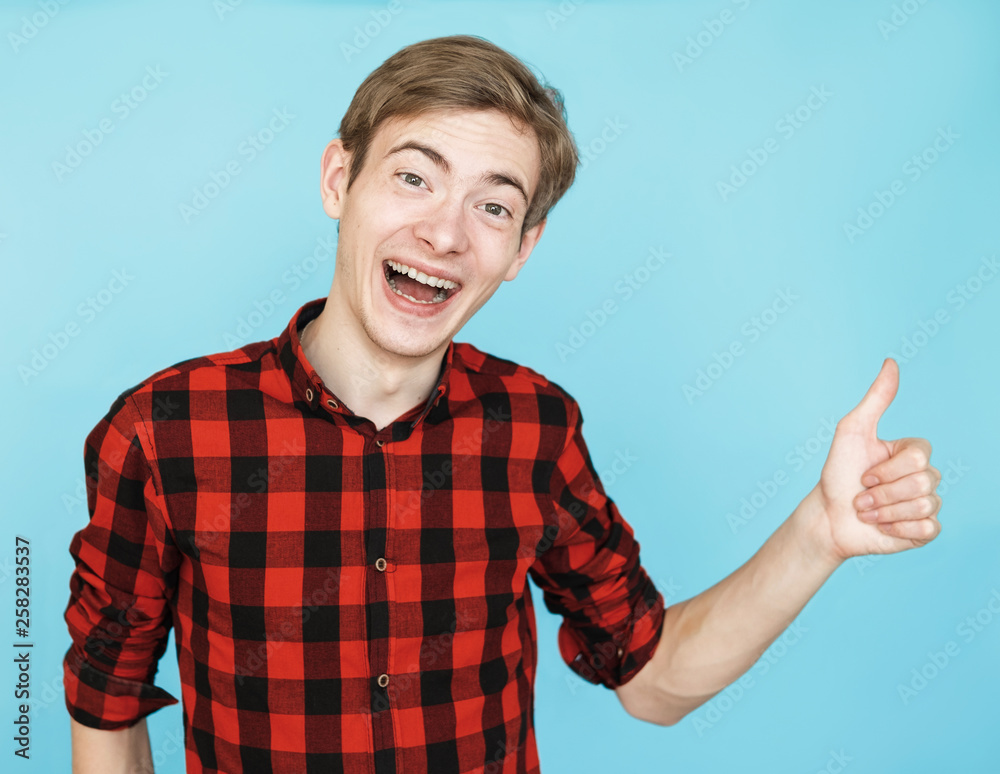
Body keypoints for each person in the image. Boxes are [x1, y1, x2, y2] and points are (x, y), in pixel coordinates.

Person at [64, 34, 943, 774]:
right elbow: (106, 709)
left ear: (522, 248)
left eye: (494, 205)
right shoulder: (162, 429)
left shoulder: (536, 428)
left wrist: (820, 533)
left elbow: (652, 679)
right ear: (339, 180)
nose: (446, 233)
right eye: (415, 178)